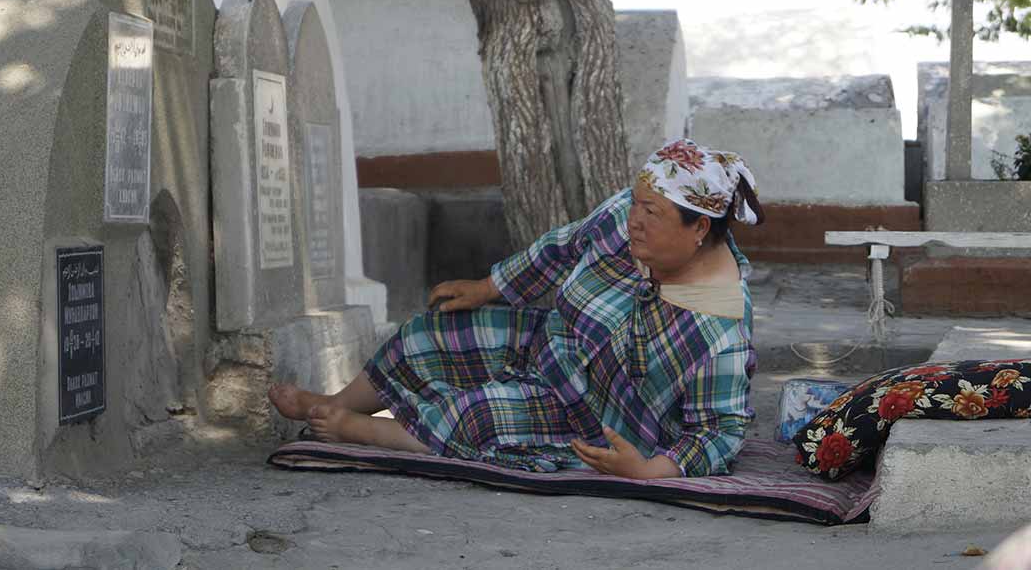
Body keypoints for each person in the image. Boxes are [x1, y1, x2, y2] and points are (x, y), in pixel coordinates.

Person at [269, 139, 764, 479]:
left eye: (650, 213)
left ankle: (362, 429)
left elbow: (719, 433)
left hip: (592, 414)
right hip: (553, 341)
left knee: (477, 414)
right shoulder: (630, 215)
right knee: (430, 333)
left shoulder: (718, 325)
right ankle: (333, 398)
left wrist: (649, 469)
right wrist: (487, 287)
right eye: (636, 202)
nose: (633, 218)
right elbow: (563, 247)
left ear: (699, 230)